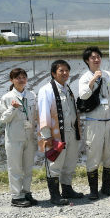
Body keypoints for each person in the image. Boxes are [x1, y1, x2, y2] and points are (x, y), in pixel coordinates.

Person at [37, 59, 82, 205]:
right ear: (53, 73)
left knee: (69, 162)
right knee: (54, 164)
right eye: (61, 71)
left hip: (70, 132)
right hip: (55, 134)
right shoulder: (46, 90)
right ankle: (55, 195)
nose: (65, 73)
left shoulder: (67, 88)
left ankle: (67, 189)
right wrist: (46, 136)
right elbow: (43, 114)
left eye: (67, 70)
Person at [78, 47, 110, 200]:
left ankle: (106, 187)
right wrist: (93, 79)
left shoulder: (109, 76)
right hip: (94, 122)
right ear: (87, 61)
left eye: (98, 57)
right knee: (93, 155)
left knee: (109, 155)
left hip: (109, 121)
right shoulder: (85, 77)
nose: (96, 60)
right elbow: (83, 95)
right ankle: (93, 190)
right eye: (93, 57)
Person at [0, 68, 38, 207]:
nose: (21, 80)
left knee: (27, 167)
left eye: (23, 77)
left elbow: (35, 114)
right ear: (12, 80)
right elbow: (2, 119)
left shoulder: (31, 95)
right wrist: (12, 108)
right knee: (15, 168)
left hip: (29, 137)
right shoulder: (7, 97)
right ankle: (16, 196)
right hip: (14, 139)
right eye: (18, 78)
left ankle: (26, 192)